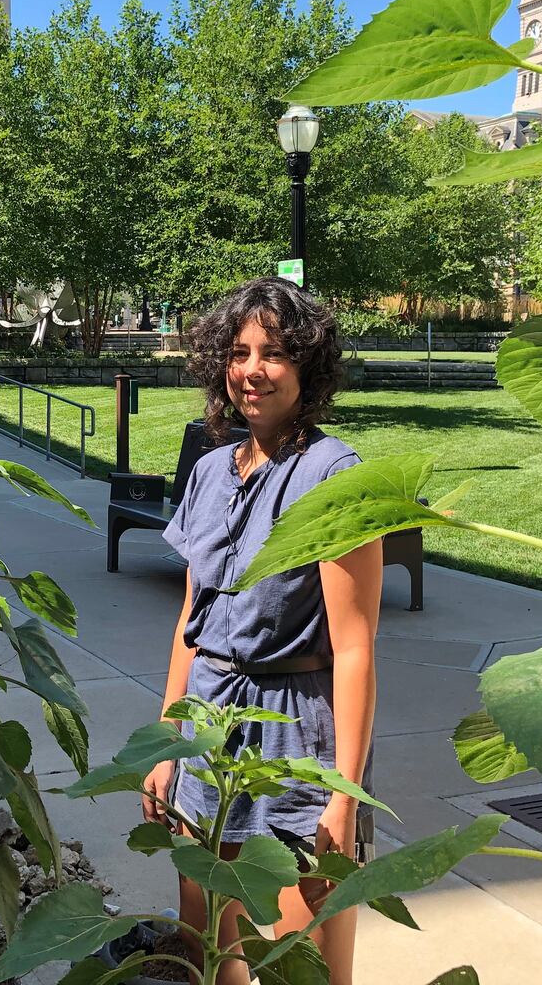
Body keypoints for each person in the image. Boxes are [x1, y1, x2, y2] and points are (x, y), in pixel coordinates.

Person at [143, 276, 382, 985]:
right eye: (240, 352)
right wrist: (166, 744)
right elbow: (192, 620)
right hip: (207, 726)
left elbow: (355, 646)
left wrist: (344, 793)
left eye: (274, 353)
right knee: (207, 943)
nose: (253, 370)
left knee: (300, 960)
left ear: (307, 366)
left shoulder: (334, 476)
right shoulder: (212, 469)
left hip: (295, 737)